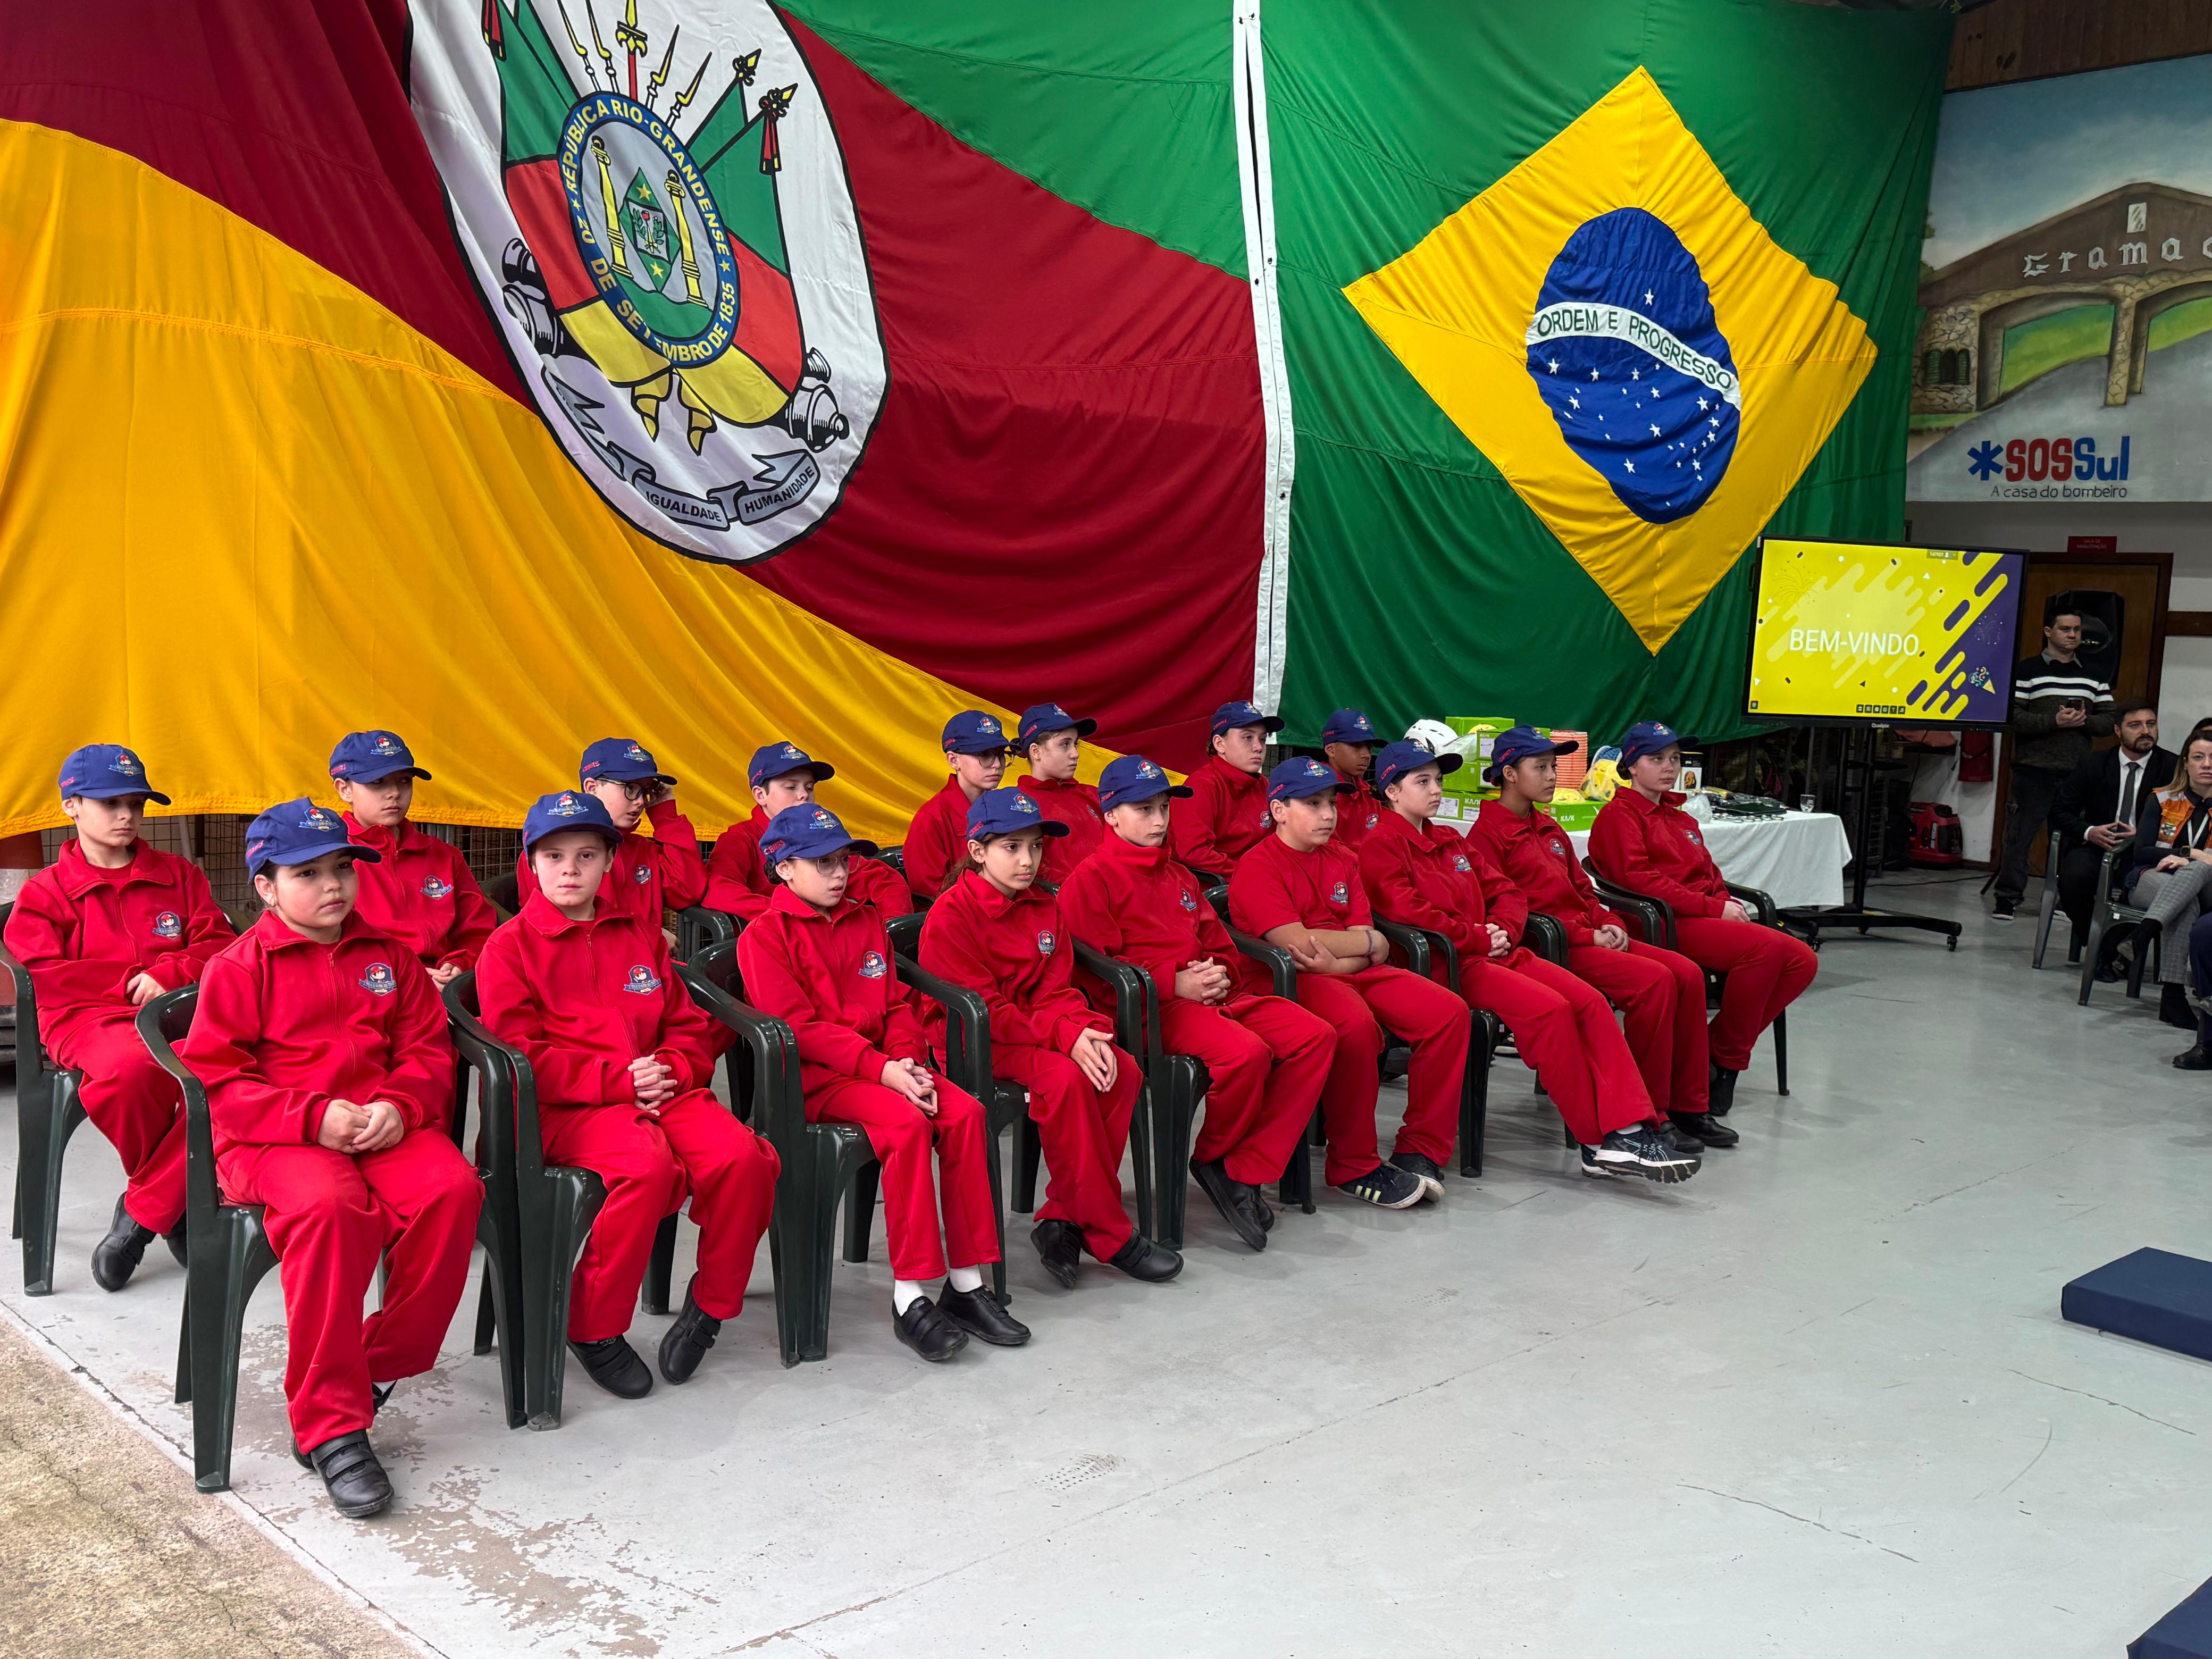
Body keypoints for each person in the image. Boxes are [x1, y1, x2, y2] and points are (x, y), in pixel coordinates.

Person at [178, 800, 481, 1519]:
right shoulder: (238, 968)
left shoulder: (391, 958)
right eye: (307, 873)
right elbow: (217, 1082)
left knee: (454, 1191)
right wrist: (314, 1118)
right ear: (265, 885)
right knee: (331, 1210)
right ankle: (334, 1427)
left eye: (343, 867)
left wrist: (398, 1108)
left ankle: (367, 1368)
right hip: (273, 1141)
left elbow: (427, 1053)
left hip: (379, 1125)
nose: (333, 885)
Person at [477, 791, 780, 1398]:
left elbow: (685, 1026)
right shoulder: (507, 948)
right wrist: (617, 1082)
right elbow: (519, 1057)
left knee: (744, 1159)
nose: (570, 869)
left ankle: (712, 1304)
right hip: (568, 1109)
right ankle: (592, 1326)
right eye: (555, 856)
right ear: (531, 864)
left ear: (609, 862)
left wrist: (669, 1068)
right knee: (644, 1167)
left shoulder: (638, 934)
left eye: (586, 855)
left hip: (662, 1088)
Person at [738, 803, 1023, 1360]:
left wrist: (908, 1059)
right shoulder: (765, 938)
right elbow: (799, 1029)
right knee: (908, 1124)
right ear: (782, 868)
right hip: (818, 1083)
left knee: (964, 1114)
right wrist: (882, 1070)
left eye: (842, 859)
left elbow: (895, 1003)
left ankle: (965, 1283)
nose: (839, 872)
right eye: (821, 863)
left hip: (886, 1069)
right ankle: (909, 1295)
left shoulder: (865, 919)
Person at [1361, 741, 1718, 1171]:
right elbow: (1410, 912)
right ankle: (1595, 1140)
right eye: (1423, 781)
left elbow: (1507, 892)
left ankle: (1630, 1128)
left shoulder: (1450, 837)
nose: (1436, 790)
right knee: (1551, 1011)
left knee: (1588, 1002)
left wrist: (1503, 932)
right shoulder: (1380, 845)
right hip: (1451, 967)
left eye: (1438, 780)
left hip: (1497, 952)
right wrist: (1478, 938)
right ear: (1392, 791)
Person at [1058, 755, 1335, 1250]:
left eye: (1164, 807)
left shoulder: (1181, 877)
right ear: (1111, 816)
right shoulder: (1091, 879)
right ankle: (1217, 1158)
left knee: (1315, 1035)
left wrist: (1218, 976)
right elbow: (1095, 975)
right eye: (1144, 810)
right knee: (1246, 1053)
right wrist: (1172, 983)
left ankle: (1238, 1166)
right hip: (1150, 1012)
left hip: (1213, 999)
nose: (1160, 821)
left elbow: (1221, 944)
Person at [921, 788, 1182, 1286]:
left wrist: (1084, 1030)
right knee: (1064, 1080)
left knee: (1119, 1068)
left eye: (1036, 847)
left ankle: (1064, 1216)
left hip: (1035, 1031)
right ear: (978, 851)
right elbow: (987, 1013)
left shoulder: (1044, 904)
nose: (1028, 860)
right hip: (974, 1041)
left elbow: (1055, 987)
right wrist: (1065, 1036)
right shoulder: (951, 917)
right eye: (1012, 848)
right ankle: (1111, 1235)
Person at [4, 745, 233, 1289]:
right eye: (111, 804)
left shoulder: (179, 875)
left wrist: (172, 972)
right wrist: (132, 982)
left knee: (237, 1074)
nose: (127, 815)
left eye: (137, 803)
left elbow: (219, 946)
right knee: (135, 1071)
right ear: (72, 807)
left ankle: (146, 1210)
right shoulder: (45, 894)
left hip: (177, 1014)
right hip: (87, 1024)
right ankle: (177, 1208)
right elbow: (42, 979)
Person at [1229, 756, 1472, 1209]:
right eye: (1313, 803)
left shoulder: (1343, 857)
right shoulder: (1259, 865)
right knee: (1357, 1025)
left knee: (1449, 1013)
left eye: (1332, 804)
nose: (1328, 814)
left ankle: (1421, 1147)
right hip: (1285, 981)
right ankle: (1353, 1164)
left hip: (1344, 971)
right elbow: (1295, 945)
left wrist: (1345, 955)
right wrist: (1356, 948)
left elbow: (1374, 941)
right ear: (1279, 810)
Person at [1468, 727, 1717, 1147]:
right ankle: (1652, 1112)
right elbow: (1511, 912)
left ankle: (1688, 1105)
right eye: (1541, 767)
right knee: (1654, 982)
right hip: (1552, 947)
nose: (1552, 776)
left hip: (1590, 936)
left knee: (1687, 973)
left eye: (1554, 767)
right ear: (1509, 774)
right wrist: (1588, 933)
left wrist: (1612, 924)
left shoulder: (1548, 828)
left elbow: (1584, 890)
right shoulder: (1487, 837)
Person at [1589, 723, 1819, 1112]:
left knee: (1802, 959)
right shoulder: (1620, 816)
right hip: (1658, 923)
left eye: (1675, 759)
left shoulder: (1681, 818)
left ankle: (1716, 1055)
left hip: (1698, 917)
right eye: (1656, 758)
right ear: (1630, 766)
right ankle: (1723, 1065)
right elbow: (1640, 881)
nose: (1669, 767)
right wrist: (1714, 908)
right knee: (1764, 950)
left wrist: (1723, 903)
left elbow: (1709, 875)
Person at [329, 730, 496, 988]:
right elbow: (328, 945)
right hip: (370, 988)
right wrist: (408, 977)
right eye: (378, 782)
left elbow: (477, 928)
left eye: (405, 781)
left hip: (447, 987)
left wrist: (460, 964)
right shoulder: (330, 859)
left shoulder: (444, 855)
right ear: (345, 790)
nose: (394, 792)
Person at [1995, 599, 2115, 918]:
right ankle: (2007, 899)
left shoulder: (2095, 674)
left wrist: (2083, 721)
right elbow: (2013, 718)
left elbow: (2109, 722)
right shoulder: (2028, 670)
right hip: (2034, 770)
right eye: (2066, 629)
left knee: (2073, 841)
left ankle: (2067, 900)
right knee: (2020, 838)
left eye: (2077, 630)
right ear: (2049, 632)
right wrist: (2054, 722)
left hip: (2077, 773)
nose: (2073, 635)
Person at [702, 740, 913, 922]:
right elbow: (720, 891)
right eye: (791, 787)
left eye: (809, 787)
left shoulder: (821, 831)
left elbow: (883, 880)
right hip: (772, 944)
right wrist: (793, 915)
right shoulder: (739, 839)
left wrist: (889, 929)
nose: (804, 795)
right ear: (760, 795)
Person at [515, 738, 705, 923]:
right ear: (592, 787)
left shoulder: (642, 849)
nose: (640, 802)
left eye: (647, 791)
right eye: (630, 788)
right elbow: (550, 922)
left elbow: (688, 891)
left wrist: (666, 817)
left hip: (648, 953)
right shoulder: (551, 850)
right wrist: (648, 936)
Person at [2049, 700, 2172, 955]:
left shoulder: (2173, 768)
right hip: (2099, 845)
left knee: (2141, 890)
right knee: (2073, 879)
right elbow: (2060, 810)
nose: (2145, 731)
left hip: (2145, 852)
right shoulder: (2093, 764)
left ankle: (2107, 954)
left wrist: (2147, 835)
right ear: (2118, 731)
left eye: (2151, 724)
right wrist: (2089, 832)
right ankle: (2106, 950)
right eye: (2135, 726)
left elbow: (2182, 819)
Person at [2118, 729, 2212, 1033]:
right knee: (2185, 907)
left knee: (2196, 871)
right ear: (2186, 764)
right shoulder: (2162, 798)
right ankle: (2172, 997)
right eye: (2199, 758)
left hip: (2205, 886)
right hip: (2151, 879)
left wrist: (2193, 857)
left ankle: (2145, 931)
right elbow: (2141, 851)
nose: (2207, 764)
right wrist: (2186, 852)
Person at [902, 711, 1015, 903]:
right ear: (954, 760)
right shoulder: (932, 818)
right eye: (985, 755)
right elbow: (931, 893)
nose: (997, 765)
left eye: (1001, 755)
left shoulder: (1007, 807)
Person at [1172, 700, 1280, 879]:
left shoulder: (1264, 784)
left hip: (1260, 879)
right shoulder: (1202, 785)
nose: (1259, 747)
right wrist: (1253, 874)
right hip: (1216, 890)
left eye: (1262, 739)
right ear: (1220, 744)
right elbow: (1195, 854)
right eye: (1248, 738)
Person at [1014, 703, 1104, 885]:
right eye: (1065, 744)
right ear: (1036, 751)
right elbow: (1028, 866)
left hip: (1115, 899)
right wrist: (1077, 887)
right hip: (1063, 903)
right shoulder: (1018, 804)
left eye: (1076, 744)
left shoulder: (1093, 794)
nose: (1075, 754)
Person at [1318, 708, 1384, 852]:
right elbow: (1326, 851)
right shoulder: (1315, 792)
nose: (1367, 755)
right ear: (1330, 750)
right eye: (1356, 746)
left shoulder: (1368, 793)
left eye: (1369, 747)